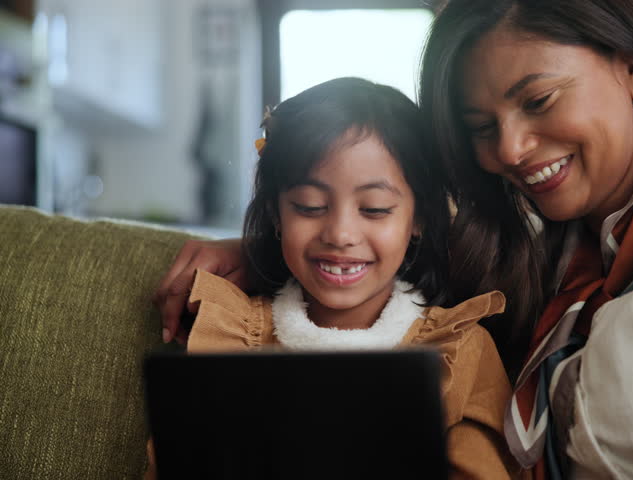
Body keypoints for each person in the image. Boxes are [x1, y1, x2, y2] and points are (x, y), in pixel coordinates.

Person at [155, 1, 633, 479]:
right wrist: (253, 249)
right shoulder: (550, 247)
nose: (510, 150)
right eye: (480, 129)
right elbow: (369, 256)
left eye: (538, 99)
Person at [150, 77, 517, 479]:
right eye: (309, 207)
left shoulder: (459, 351)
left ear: (419, 219)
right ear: (275, 213)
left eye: (375, 209)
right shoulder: (232, 335)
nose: (340, 234)